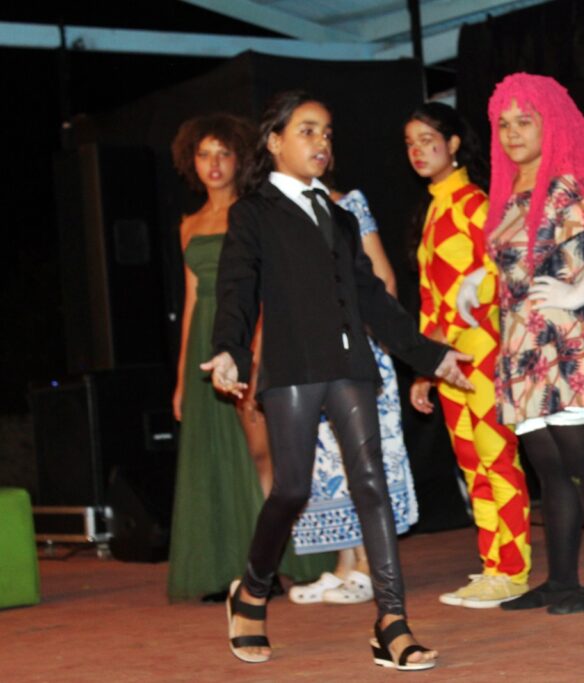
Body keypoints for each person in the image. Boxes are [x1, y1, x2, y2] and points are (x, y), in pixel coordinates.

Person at [204, 90, 473, 669]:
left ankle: (392, 623)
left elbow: (372, 298)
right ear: (274, 142)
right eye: (306, 131)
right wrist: (229, 351)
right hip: (293, 370)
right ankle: (251, 591)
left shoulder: (341, 216)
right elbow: (236, 289)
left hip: (351, 366)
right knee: (292, 489)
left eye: (326, 132)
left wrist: (429, 356)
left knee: (371, 483)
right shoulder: (253, 212)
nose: (321, 142)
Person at [459, 73, 584, 615]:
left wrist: (581, 291)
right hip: (523, 352)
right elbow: (514, 258)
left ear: (549, 122)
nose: (511, 133)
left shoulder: (570, 183)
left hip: (571, 348)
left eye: (524, 121)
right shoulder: (509, 192)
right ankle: (561, 581)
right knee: (551, 473)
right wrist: (477, 281)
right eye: (503, 123)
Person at [166, 113, 332, 603]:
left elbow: (267, 289)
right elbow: (191, 302)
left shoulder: (256, 211)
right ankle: (227, 567)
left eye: (224, 153)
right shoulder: (189, 225)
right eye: (204, 155)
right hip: (205, 347)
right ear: (191, 162)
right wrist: (182, 379)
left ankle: (271, 565)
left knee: (262, 454)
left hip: (249, 338)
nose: (214, 164)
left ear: (241, 158)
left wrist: (257, 351)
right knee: (215, 461)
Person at [404, 102, 532, 608]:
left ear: (454, 143)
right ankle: (493, 564)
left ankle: (513, 569)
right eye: (410, 143)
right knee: (472, 464)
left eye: (427, 139)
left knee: (497, 459)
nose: (417, 151)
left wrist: (459, 331)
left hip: (482, 353)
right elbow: (430, 299)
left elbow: (502, 273)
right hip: (448, 362)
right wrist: (424, 366)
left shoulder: (474, 203)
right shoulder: (434, 208)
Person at [288, 189, 416, 607]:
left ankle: (368, 566)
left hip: (356, 350)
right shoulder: (281, 210)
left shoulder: (350, 204)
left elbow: (384, 280)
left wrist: (360, 339)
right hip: (314, 357)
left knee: (359, 458)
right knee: (327, 461)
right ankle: (344, 564)